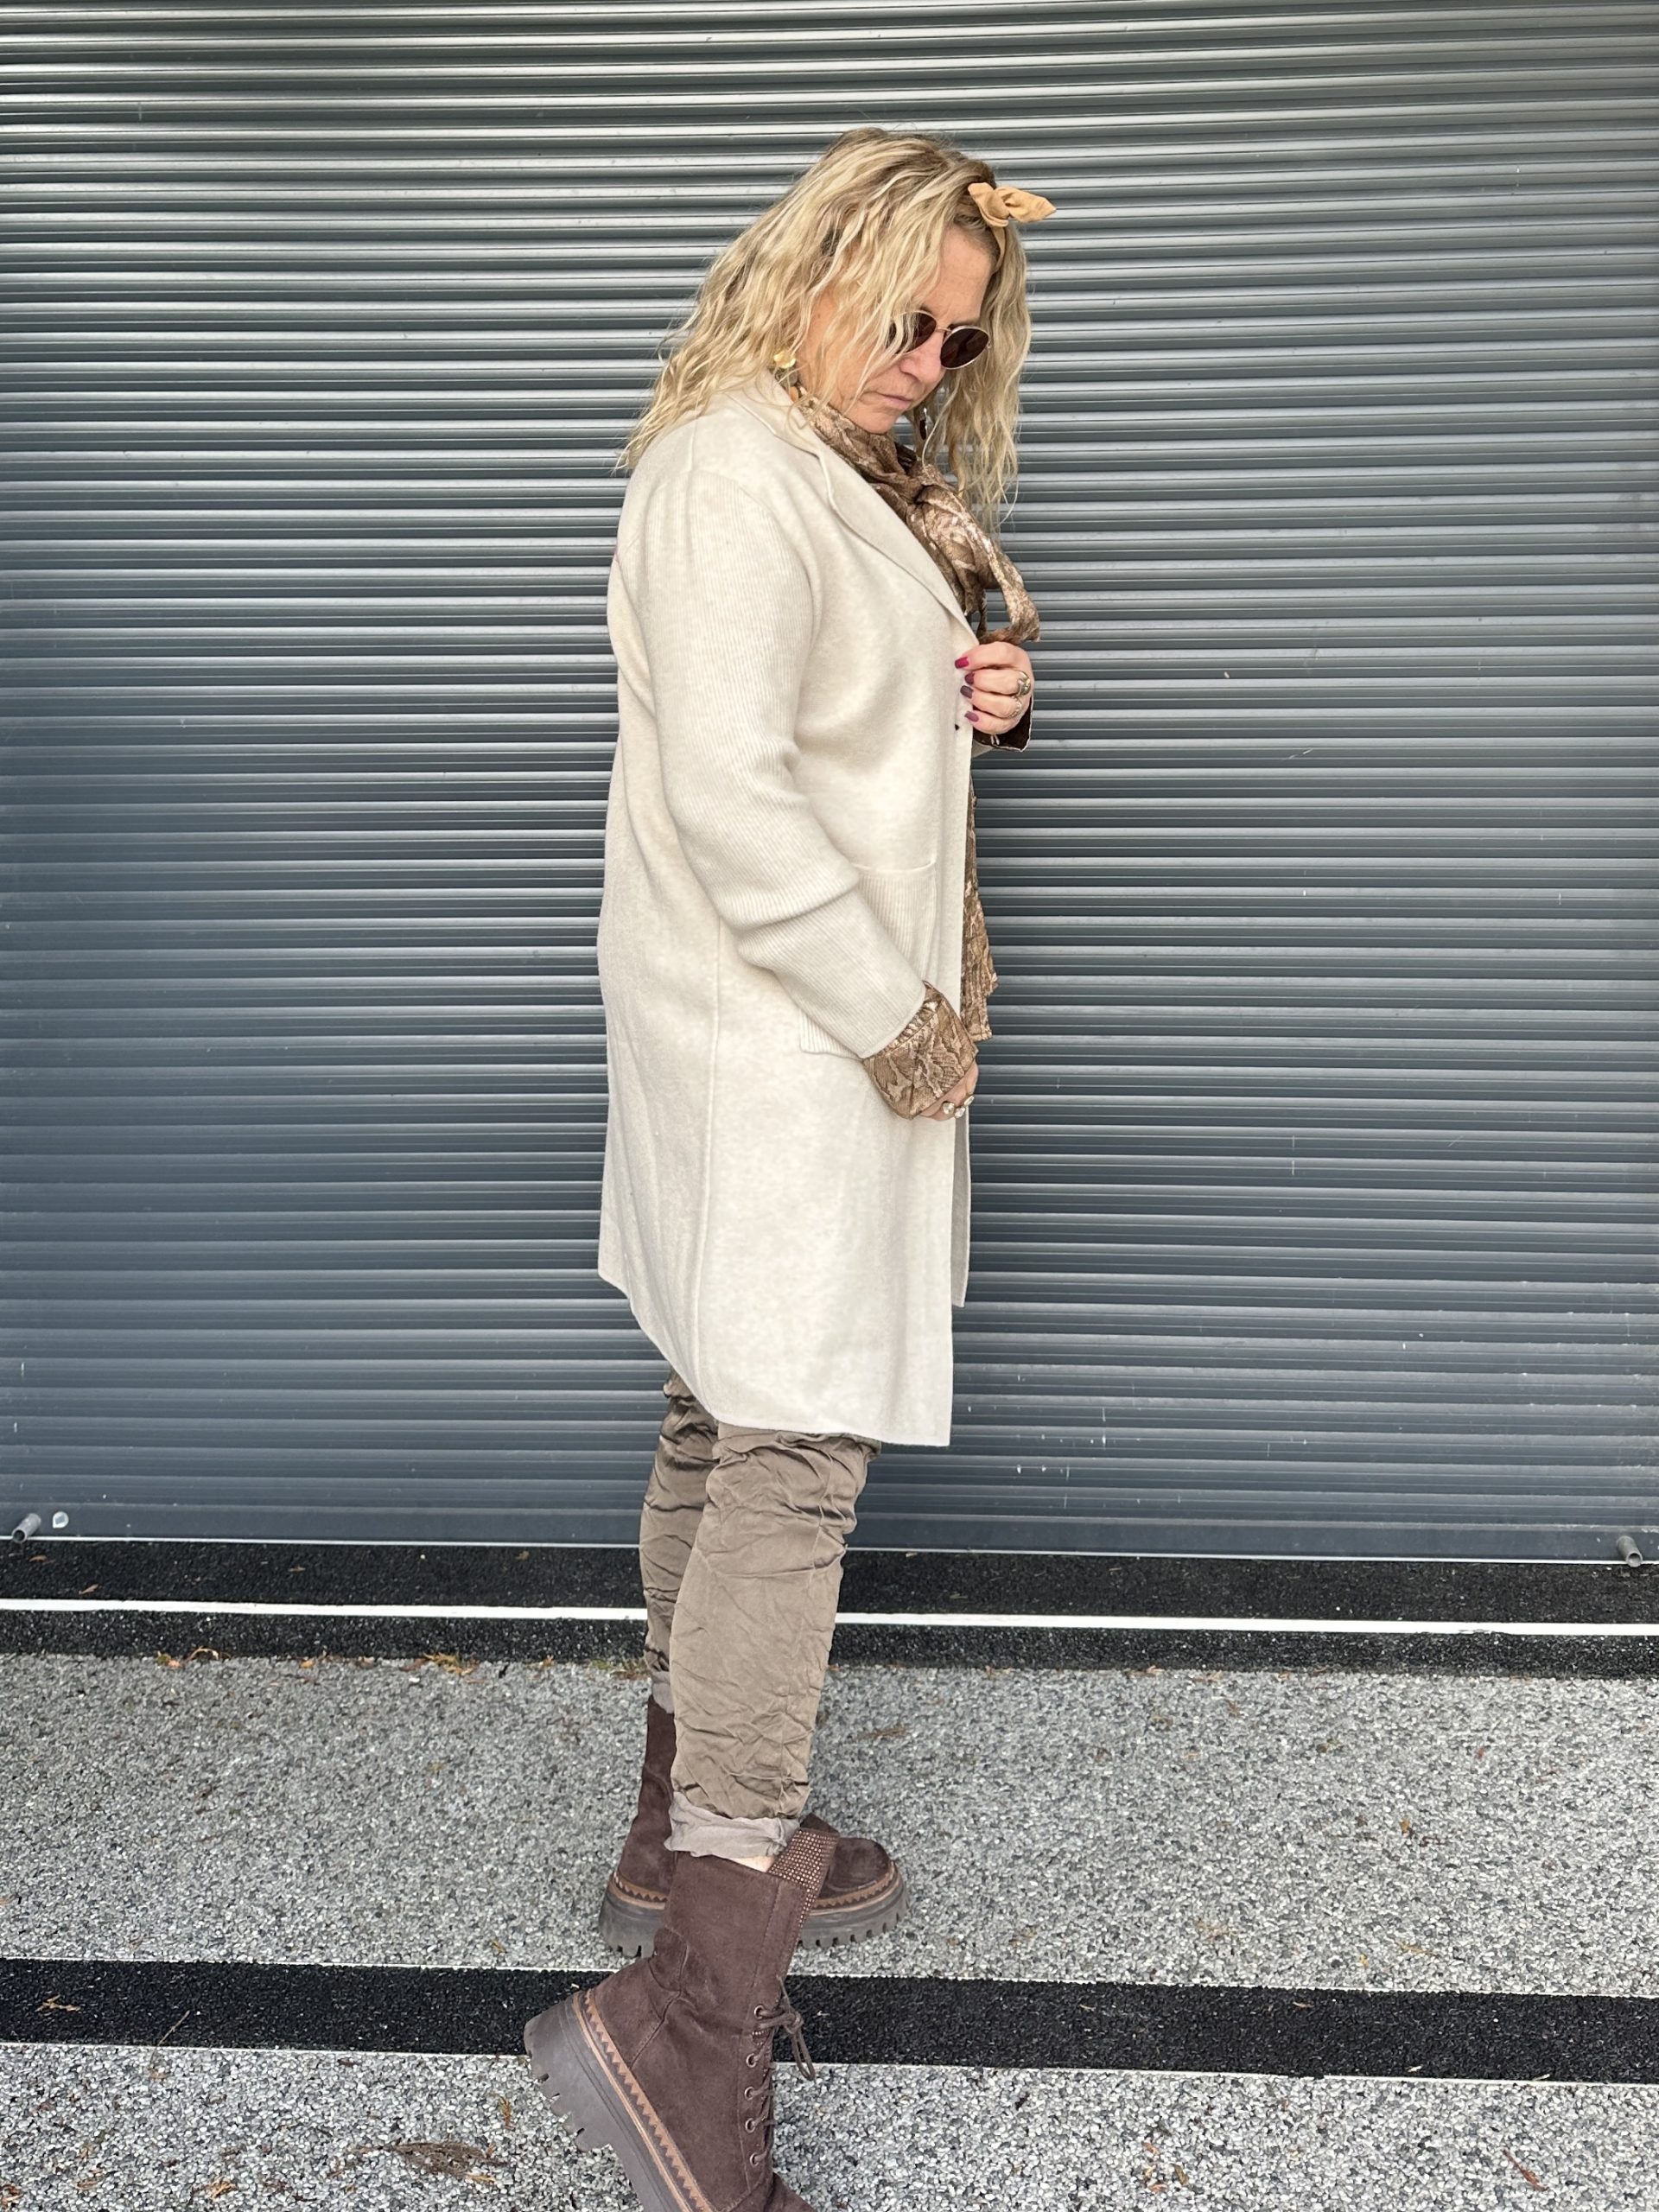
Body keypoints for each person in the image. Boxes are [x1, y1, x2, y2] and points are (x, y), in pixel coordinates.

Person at [525, 125, 1053, 2211]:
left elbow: (830, 722)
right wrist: (900, 1019)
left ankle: (679, 1839)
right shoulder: (732, 474)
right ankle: (689, 2017)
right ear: (810, 269)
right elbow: (737, 794)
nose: (928, 358)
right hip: (790, 1041)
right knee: (793, 1451)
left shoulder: (834, 474)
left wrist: (977, 699)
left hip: (771, 1038)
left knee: (718, 1405)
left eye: (959, 337)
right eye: (906, 315)